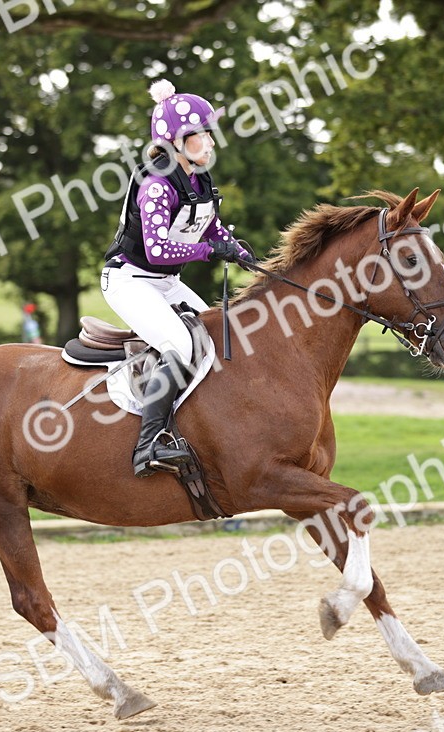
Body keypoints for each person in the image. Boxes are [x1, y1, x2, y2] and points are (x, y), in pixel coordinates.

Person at [102, 80, 250, 477]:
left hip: (165, 282)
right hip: (130, 279)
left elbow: (213, 228)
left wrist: (239, 252)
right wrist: (209, 251)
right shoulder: (156, 186)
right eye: (201, 135)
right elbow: (157, 251)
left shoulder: (198, 180)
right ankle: (148, 445)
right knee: (180, 345)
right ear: (176, 142)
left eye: (208, 134)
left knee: (221, 341)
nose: (210, 143)